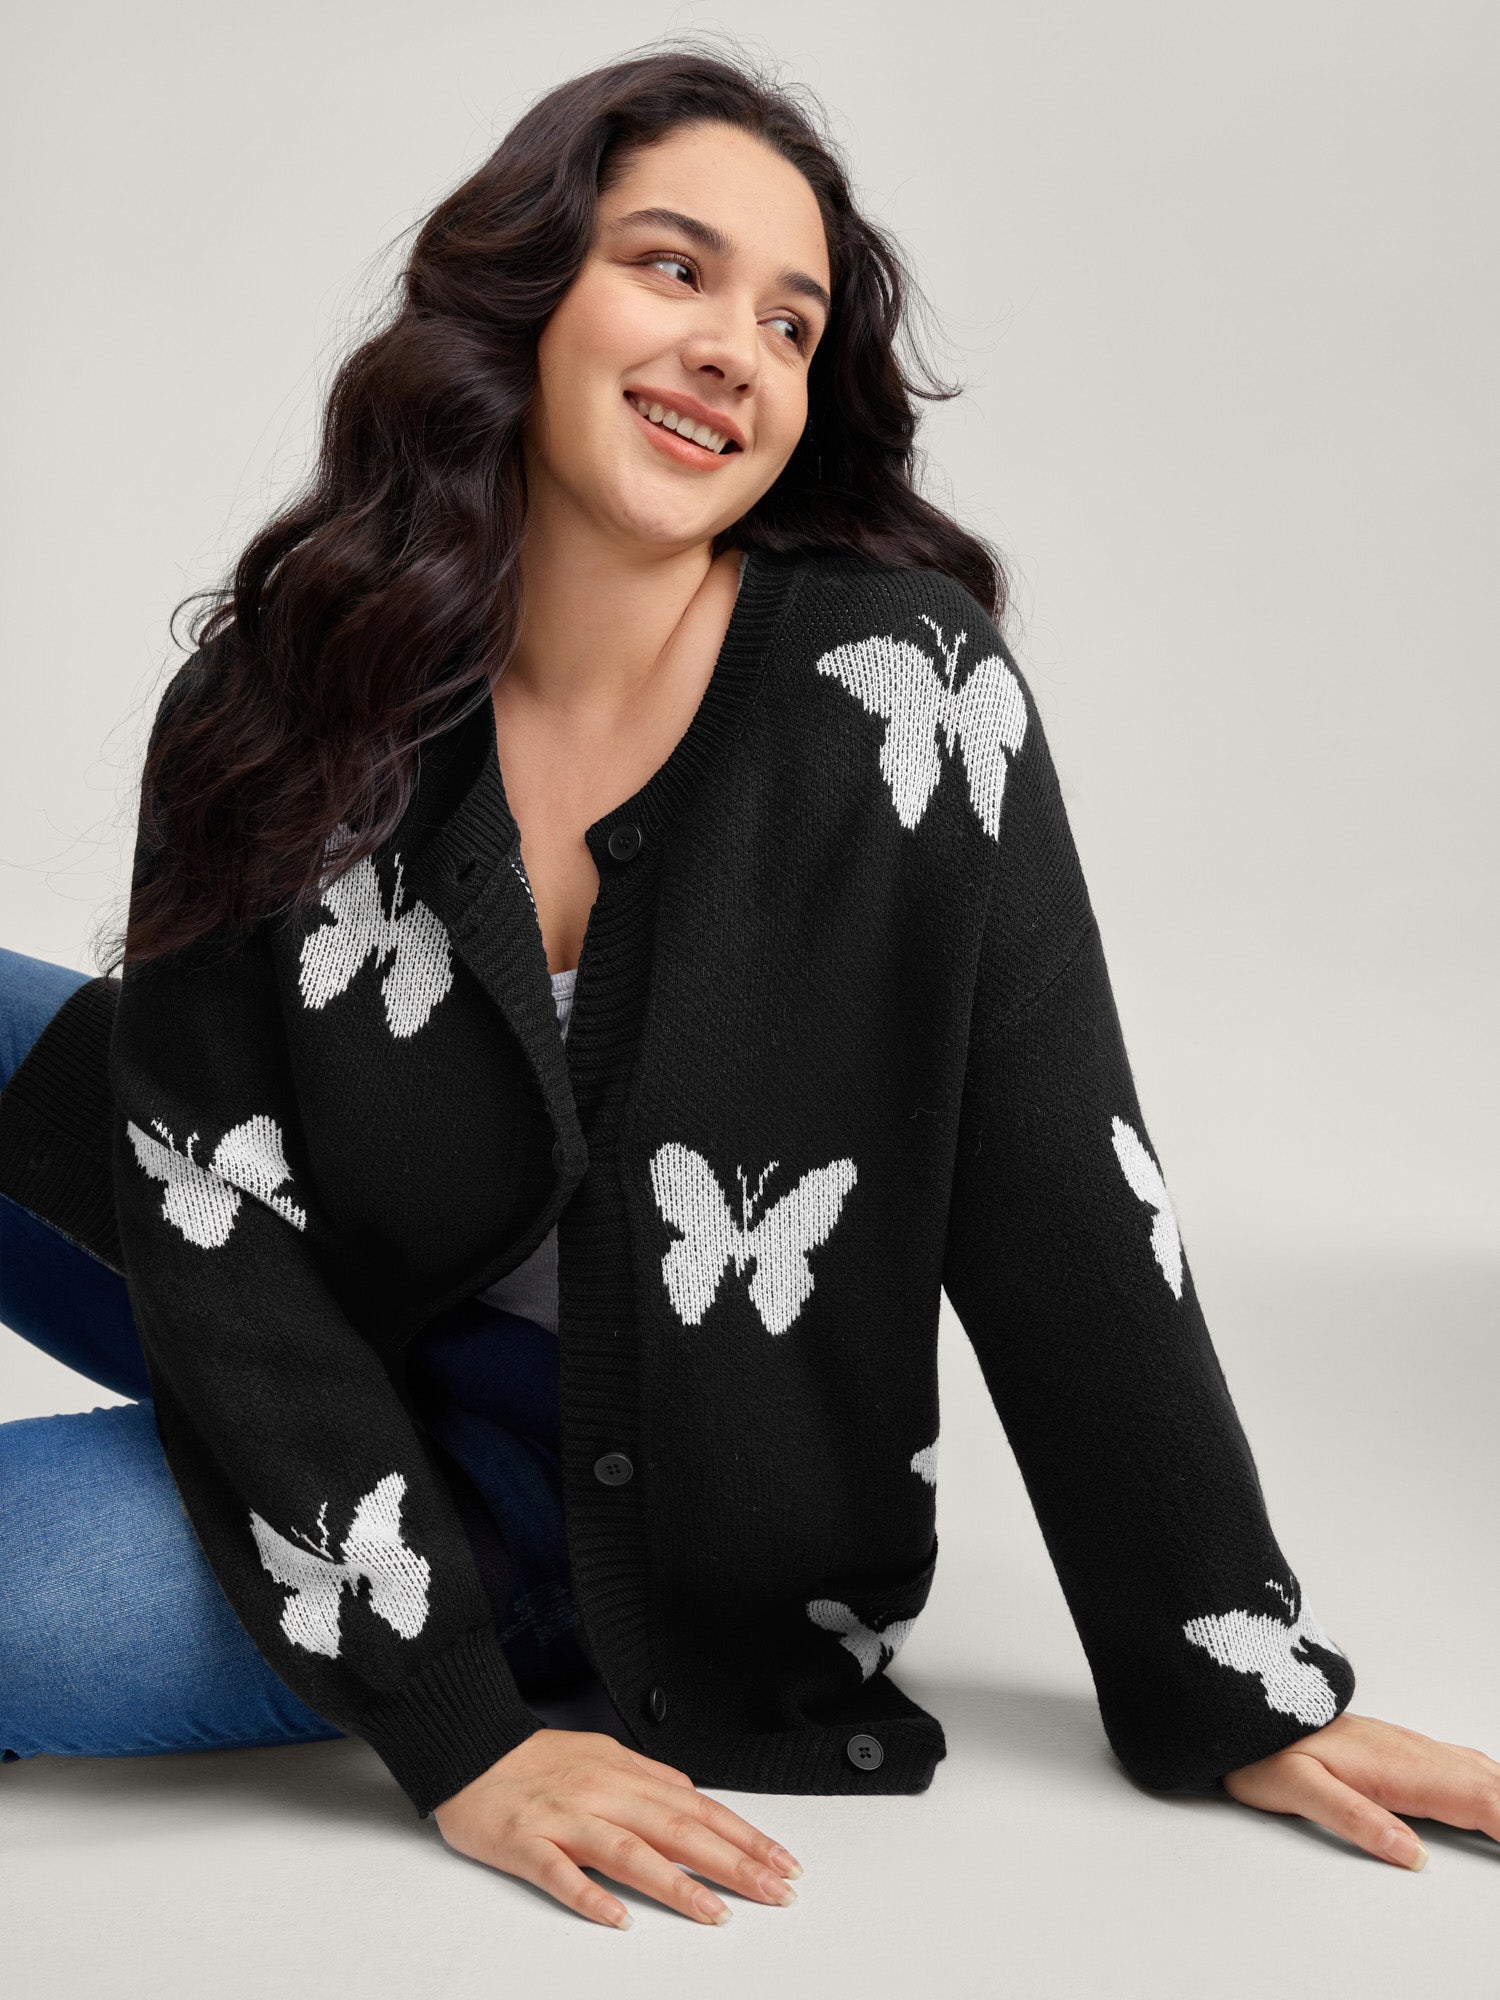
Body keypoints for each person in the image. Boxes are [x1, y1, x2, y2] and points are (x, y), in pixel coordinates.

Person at [2, 43, 1495, 1933]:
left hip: (590, 1486)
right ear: (528, 296)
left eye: (792, 323)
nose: (735, 350)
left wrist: (1239, 1678)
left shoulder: (899, 697)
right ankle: (291, 1454)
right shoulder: (297, 676)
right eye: (673, 268)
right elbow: (213, 1197)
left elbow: (1067, 1197)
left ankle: (450, 1574)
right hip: (335, 1280)